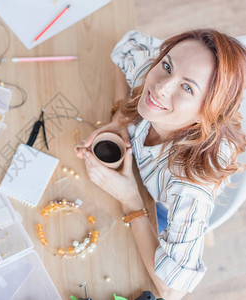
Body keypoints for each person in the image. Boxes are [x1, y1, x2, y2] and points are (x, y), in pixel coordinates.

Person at [76, 29, 246, 299]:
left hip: (163, 207)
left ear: (207, 113)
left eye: (187, 87)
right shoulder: (156, 72)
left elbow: (171, 291)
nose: (160, 87)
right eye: (167, 65)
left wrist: (131, 200)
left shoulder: (189, 187)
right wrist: (120, 118)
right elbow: (125, 47)